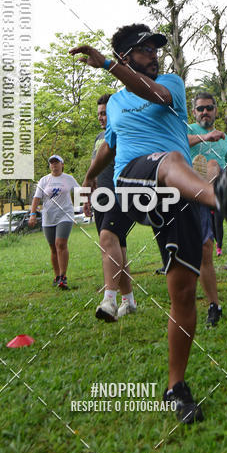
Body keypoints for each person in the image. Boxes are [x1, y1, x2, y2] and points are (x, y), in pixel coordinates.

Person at [72, 24, 227, 424]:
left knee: (183, 291)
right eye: (143, 50)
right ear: (124, 56)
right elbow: (109, 145)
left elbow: (151, 92)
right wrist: (89, 177)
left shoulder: (170, 83)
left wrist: (109, 65)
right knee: (171, 160)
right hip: (135, 180)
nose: (155, 54)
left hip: (178, 193)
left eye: (156, 48)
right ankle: (224, 198)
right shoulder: (117, 104)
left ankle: (175, 386)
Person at [91, 94, 136, 320]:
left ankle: (109, 300)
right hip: (102, 197)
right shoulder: (100, 137)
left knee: (108, 239)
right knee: (117, 249)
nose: (101, 117)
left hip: (123, 194)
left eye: (105, 113)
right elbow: (96, 167)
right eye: (99, 113)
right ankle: (128, 300)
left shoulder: (124, 131)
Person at [187, 92, 227, 327]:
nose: (205, 112)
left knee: (206, 249)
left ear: (215, 110)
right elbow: (179, 144)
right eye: (201, 108)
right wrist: (205, 138)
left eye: (209, 108)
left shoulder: (223, 138)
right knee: (183, 254)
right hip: (183, 193)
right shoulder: (187, 130)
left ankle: (214, 305)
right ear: (194, 112)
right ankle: (183, 302)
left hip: (206, 195)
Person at [30, 156, 79, 290]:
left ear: (62, 164)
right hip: (48, 217)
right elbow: (36, 198)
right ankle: (57, 276)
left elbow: (80, 192)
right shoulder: (44, 180)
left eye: (56, 163)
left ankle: (63, 276)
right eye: (51, 163)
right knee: (53, 247)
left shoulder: (69, 179)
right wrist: (32, 214)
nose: (54, 166)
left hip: (65, 214)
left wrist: (85, 205)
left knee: (61, 244)